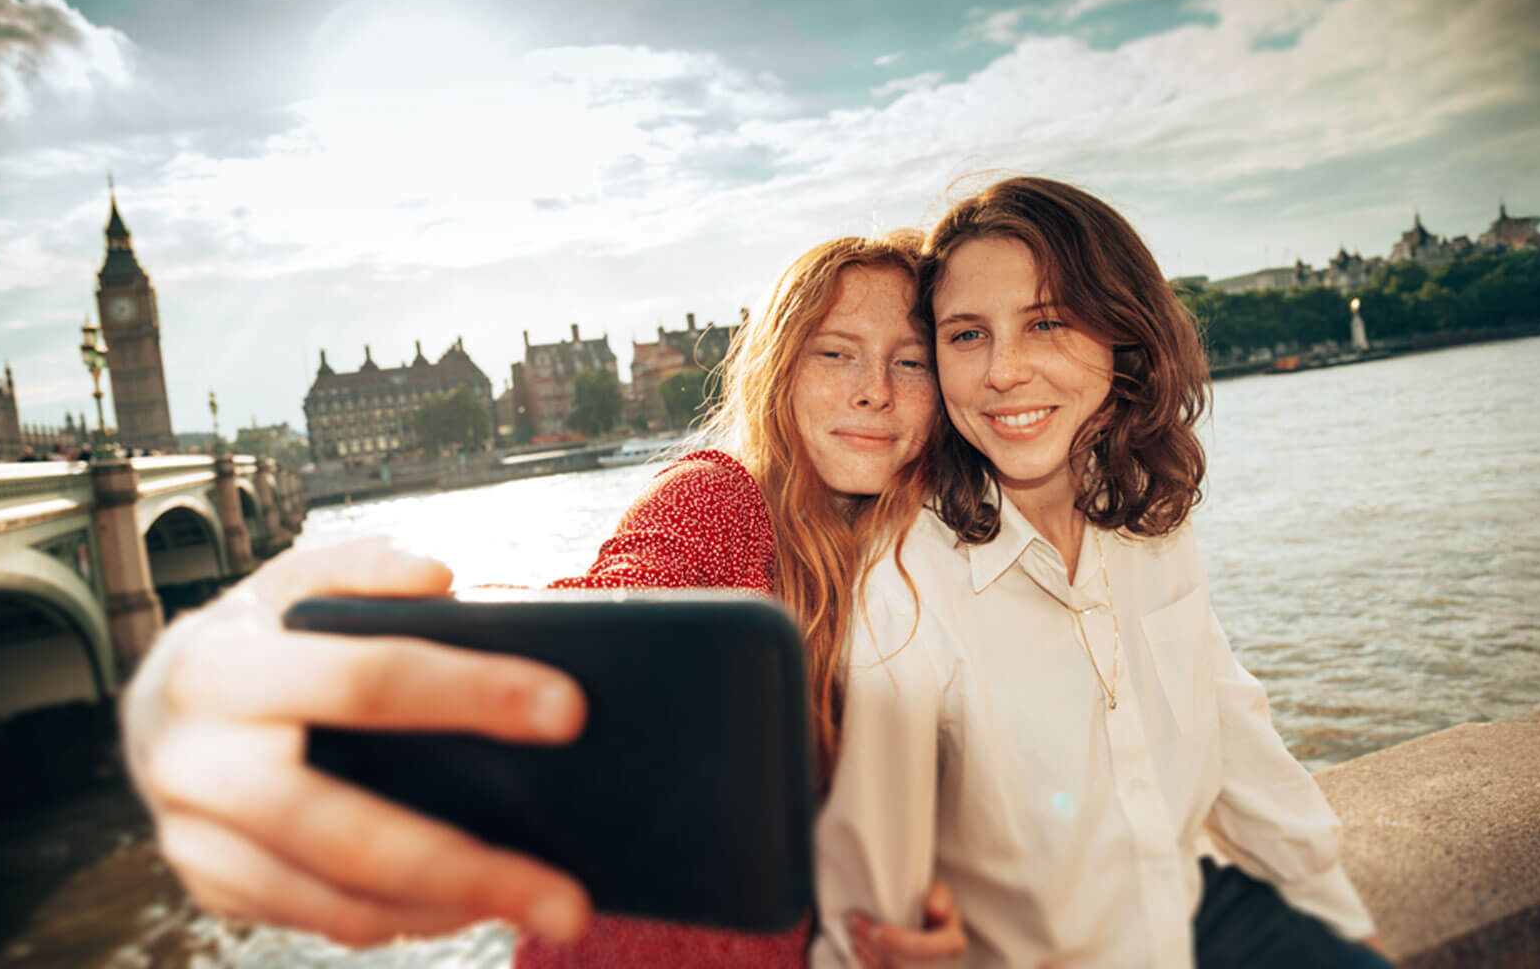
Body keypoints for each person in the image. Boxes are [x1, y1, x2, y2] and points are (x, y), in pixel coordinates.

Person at [121, 233, 967, 965]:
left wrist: (928, 912)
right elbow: (602, 617)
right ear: (779, 370)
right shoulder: (720, 502)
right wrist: (310, 693)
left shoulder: (923, 558)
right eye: (836, 353)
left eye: (910, 362)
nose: (875, 389)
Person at [812, 177, 1390, 968]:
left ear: (1122, 331)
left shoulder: (1149, 510)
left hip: (1200, 914)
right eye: (968, 334)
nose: (1004, 371)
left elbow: (1229, 722)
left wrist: (1338, 918)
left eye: (1046, 322)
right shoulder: (903, 583)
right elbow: (869, 886)